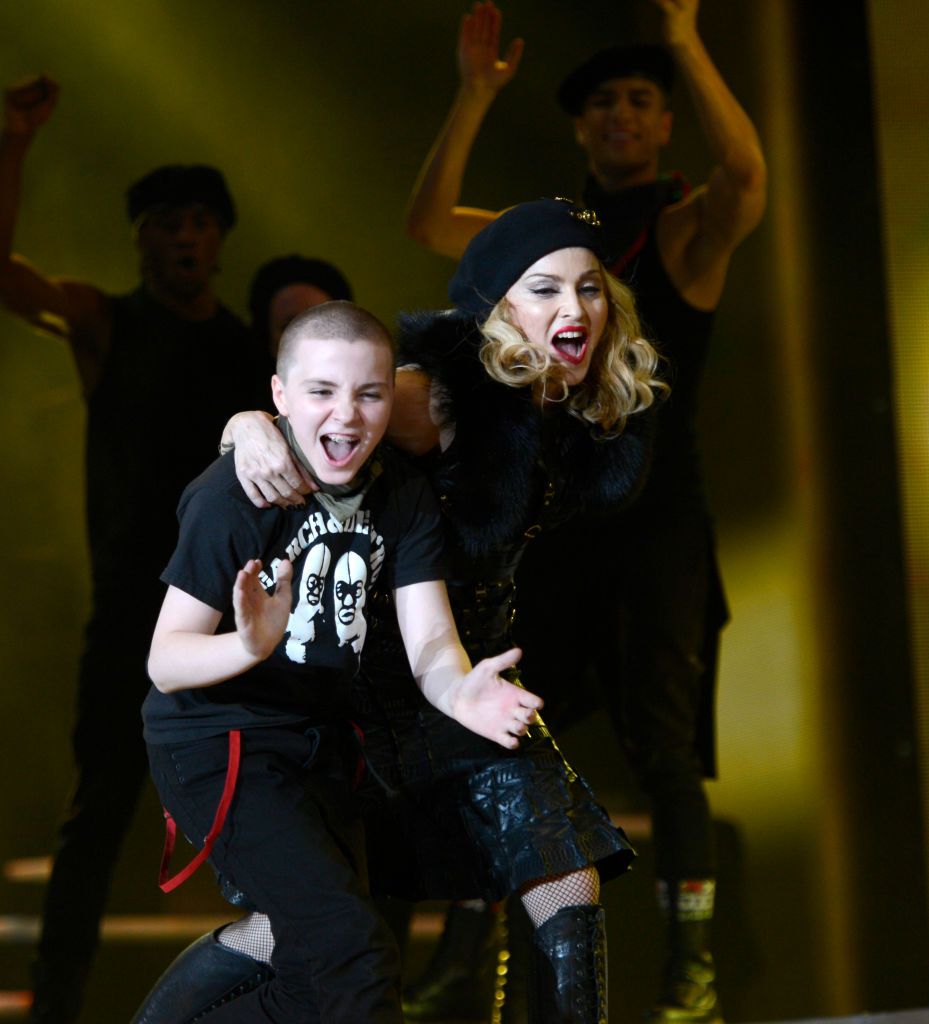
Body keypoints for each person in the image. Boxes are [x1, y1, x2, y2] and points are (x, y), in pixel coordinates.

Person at [132, 197, 663, 1024]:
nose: (573, 308)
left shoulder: (581, 410)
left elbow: (435, 630)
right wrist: (246, 429)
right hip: (362, 692)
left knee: (559, 881)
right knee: (331, 936)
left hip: (456, 668)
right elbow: (319, 414)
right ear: (500, 309)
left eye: (589, 288)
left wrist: (461, 687)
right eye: (544, 288)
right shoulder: (444, 400)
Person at [402, 2, 767, 1021]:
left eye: (638, 100)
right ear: (578, 125)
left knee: (661, 749)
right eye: (601, 100)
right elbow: (431, 226)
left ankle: (687, 974)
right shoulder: (557, 240)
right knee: (510, 736)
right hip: (553, 524)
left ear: (661, 122)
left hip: (656, 526)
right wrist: (473, 97)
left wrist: (685, 40)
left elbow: (747, 183)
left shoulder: (684, 227)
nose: (618, 113)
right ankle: (483, 958)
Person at [140, 299, 543, 1023]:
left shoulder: (403, 494)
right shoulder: (236, 492)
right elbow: (166, 661)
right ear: (279, 396)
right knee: (353, 953)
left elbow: (429, 640)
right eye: (323, 392)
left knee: (331, 970)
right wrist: (248, 645)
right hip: (218, 739)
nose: (347, 416)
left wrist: (457, 691)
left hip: (316, 740)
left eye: (369, 393)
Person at [0, 75, 270, 1023]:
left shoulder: (252, 355)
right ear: (140, 239)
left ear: (220, 237)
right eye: (164, 222)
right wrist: (15, 146)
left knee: (259, 818)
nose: (183, 237)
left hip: (237, 619)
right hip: (130, 615)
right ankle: (56, 1011)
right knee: (97, 818)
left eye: (198, 221)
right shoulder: (106, 324)